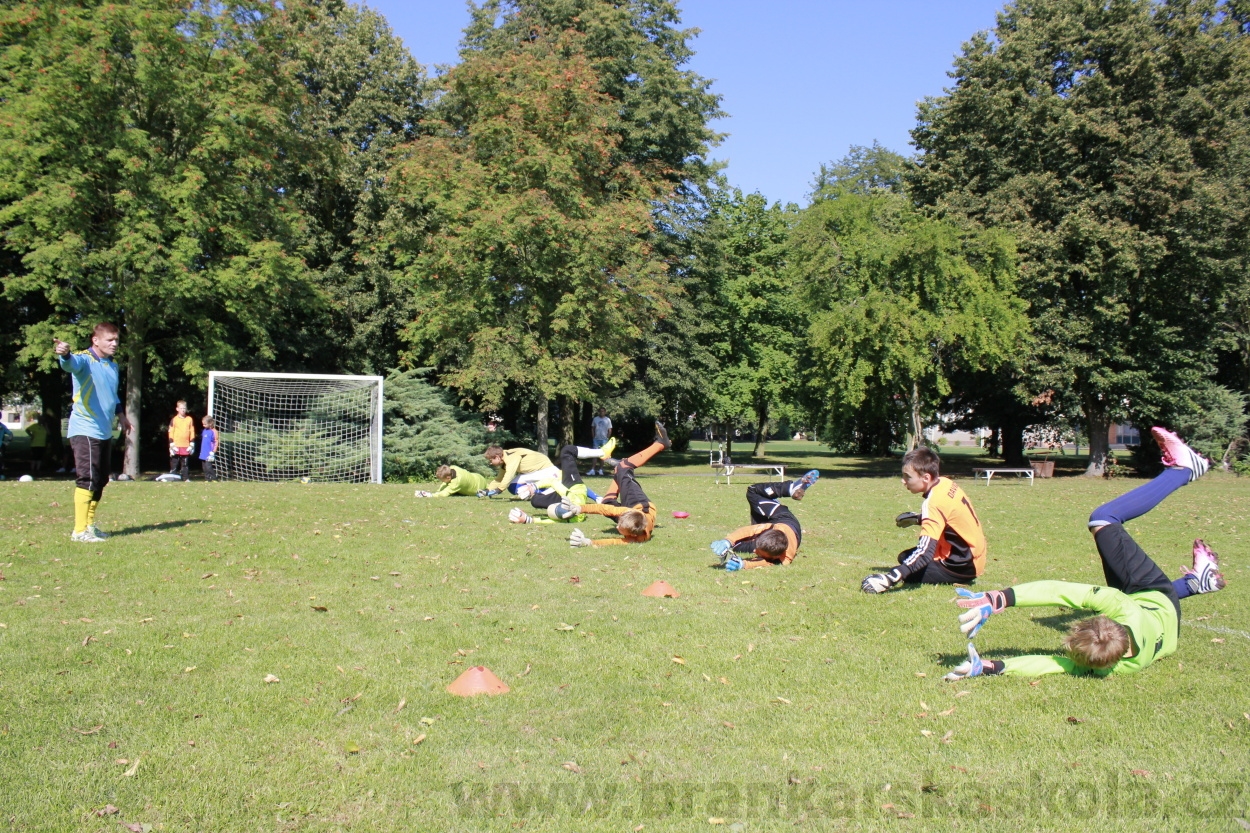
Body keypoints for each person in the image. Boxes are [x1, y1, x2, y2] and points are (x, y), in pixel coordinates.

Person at [944, 427, 1224, 681]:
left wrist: (993, 666)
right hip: (1154, 596)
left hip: (1168, 628)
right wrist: (998, 598)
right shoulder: (1119, 605)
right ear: (1105, 617)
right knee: (1103, 519)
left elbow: (1052, 665)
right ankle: (1183, 471)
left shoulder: (1121, 665)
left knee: (1107, 531)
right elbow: (1058, 592)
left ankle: (1195, 581)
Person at [861, 447, 986, 593]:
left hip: (962, 565)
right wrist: (919, 519)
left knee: (909, 570)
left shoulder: (933, 503)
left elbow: (925, 551)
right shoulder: (945, 483)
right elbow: (951, 517)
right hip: (975, 554)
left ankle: (957, 576)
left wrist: (891, 577)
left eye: (907, 476)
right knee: (906, 557)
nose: (903, 481)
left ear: (926, 478)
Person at [54, 323, 132, 542]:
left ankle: (89, 525)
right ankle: (79, 531)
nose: (115, 344)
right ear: (95, 340)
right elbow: (70, 364)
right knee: (87, 479)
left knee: (100, 480)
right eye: (110, 340)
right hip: (85, 429)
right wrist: (65, 353)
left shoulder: (112, 365)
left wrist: (122, 416)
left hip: (104, 431)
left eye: (116, 340)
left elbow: (112, 395)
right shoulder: (84, 359)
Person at [566, 422, 669, 547]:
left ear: (633, 534)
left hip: (635, 513)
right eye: (619, 524)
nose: (617, 525)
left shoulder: (639, 538)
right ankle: (660, 444)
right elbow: (602, 510)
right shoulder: (627, 513)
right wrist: (580, 508)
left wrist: (588, 542)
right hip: (639, 503)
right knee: (624, 468)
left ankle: (620, 468)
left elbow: (615, 540)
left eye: (619, 526)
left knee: (607, 502)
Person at [709, 470, 820, 570]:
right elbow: (749, 530)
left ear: (775, 556)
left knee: (739, 547)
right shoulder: (771, 528)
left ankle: (774, 499)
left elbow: (768, 563)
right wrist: (728, 541)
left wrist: (743, 564)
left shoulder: (785, 559)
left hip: (785, 535)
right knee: (753, 492)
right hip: (784, 518)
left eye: (758, 552)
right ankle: (789, 488)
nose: (755, 551)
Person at [506, 438, 618, 524]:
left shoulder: (570, 519)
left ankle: (536, 493)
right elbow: (552, 481)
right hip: (574, 487)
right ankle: (602, 453)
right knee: (567, 451)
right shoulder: (569, 497)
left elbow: (551, 521)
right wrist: (533, 487)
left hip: (566, 496)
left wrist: (528, 519)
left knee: (535, 501)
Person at [481, 445, 560, 498]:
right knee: (513, 486)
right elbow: (499, 479)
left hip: (546, 469)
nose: (490, 463)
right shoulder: (504, 459)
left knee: (512, 485)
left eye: (491, 460)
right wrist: (488, 490)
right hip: (535, 472)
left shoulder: (511, 458)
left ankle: (550, 492)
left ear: (497, 457)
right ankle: (541, 492)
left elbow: (509, 475)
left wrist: (499, 489)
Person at [415, 464, 490, 498]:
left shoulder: (457, 482)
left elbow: (445, 493)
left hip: (479, 487)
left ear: (448, 478)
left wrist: (431, 495)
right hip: (478, 476)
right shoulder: (452, 468)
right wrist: (437, 491)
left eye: (442, 480)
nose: (442, 482)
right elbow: (445, 484)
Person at [168, 400, 195, 481]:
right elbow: (171, 431)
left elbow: (192, 431)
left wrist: (192, 443)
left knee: (185, 463)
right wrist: (171, 444)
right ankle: (172, 477)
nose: (183, 410)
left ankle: (185, 478)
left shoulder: (189, 419)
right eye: (181, 408)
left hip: (186, 445)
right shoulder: (174, 419)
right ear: (177, 409)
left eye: (184, 408)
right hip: (176, 445)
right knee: (174, 462)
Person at [589, 407, 613, 476]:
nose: (601, 412)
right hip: (596, 439)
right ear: (599, 412)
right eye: (600, 411)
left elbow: (610, 429)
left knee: (602, 455)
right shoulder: (595, 419)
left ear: (605, 412)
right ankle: (592, 470)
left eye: (603, 411)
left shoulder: (608, 420)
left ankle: (600, 470)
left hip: (604, 440)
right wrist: (593, 437)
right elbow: (592, 428)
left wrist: (607, 437)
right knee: (594, 455)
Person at [198, 415, 218, 481]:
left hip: (209, 453)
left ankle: (214, 478)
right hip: (203, 452)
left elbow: (216, 441)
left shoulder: (214, 431)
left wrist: (214, 451)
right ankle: (207, 479)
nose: (203, 425)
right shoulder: (204, 431)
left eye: (205, 424)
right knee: (204, 467)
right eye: (203, 424)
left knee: (208, 466)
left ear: (210, 423)